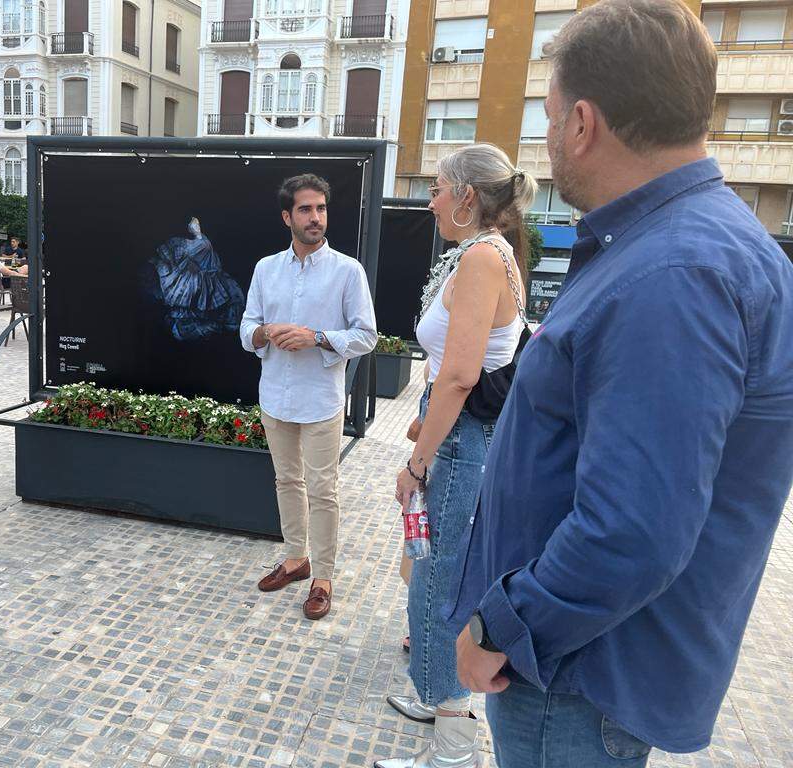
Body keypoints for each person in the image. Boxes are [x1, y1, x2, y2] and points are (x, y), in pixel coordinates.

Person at [451, 2, 793, 767]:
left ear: (581, 122)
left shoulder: (673, 275)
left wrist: (500, 627)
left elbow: (632, 534)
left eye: (546, 116)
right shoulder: (679, 247)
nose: (545, 138)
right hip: (583, 667)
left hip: (571, 678)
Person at [376, 145, 535, 768]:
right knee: (429, 569)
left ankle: (454, 748)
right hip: (459, 439)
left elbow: (462, 375)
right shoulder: (490, 253)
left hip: (462, 446)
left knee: (442, 581)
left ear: (467, 196)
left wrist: (416, 462)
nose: (432, 200)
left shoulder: (481, 259)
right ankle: (436, 692)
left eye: (439, 189)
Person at [241, 174, 377, 620]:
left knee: (323, 489)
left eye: (320, 208)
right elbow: (246, 329)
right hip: (275, 394)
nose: (315, 217)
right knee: (286, 481)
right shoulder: (266, 268)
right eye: (305, 209)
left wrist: (315, 337)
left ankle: (324, 577)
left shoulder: (347, 271)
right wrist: (264, 332)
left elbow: (367, 337)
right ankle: (296, 558)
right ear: (287, 216)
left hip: (321, 398)